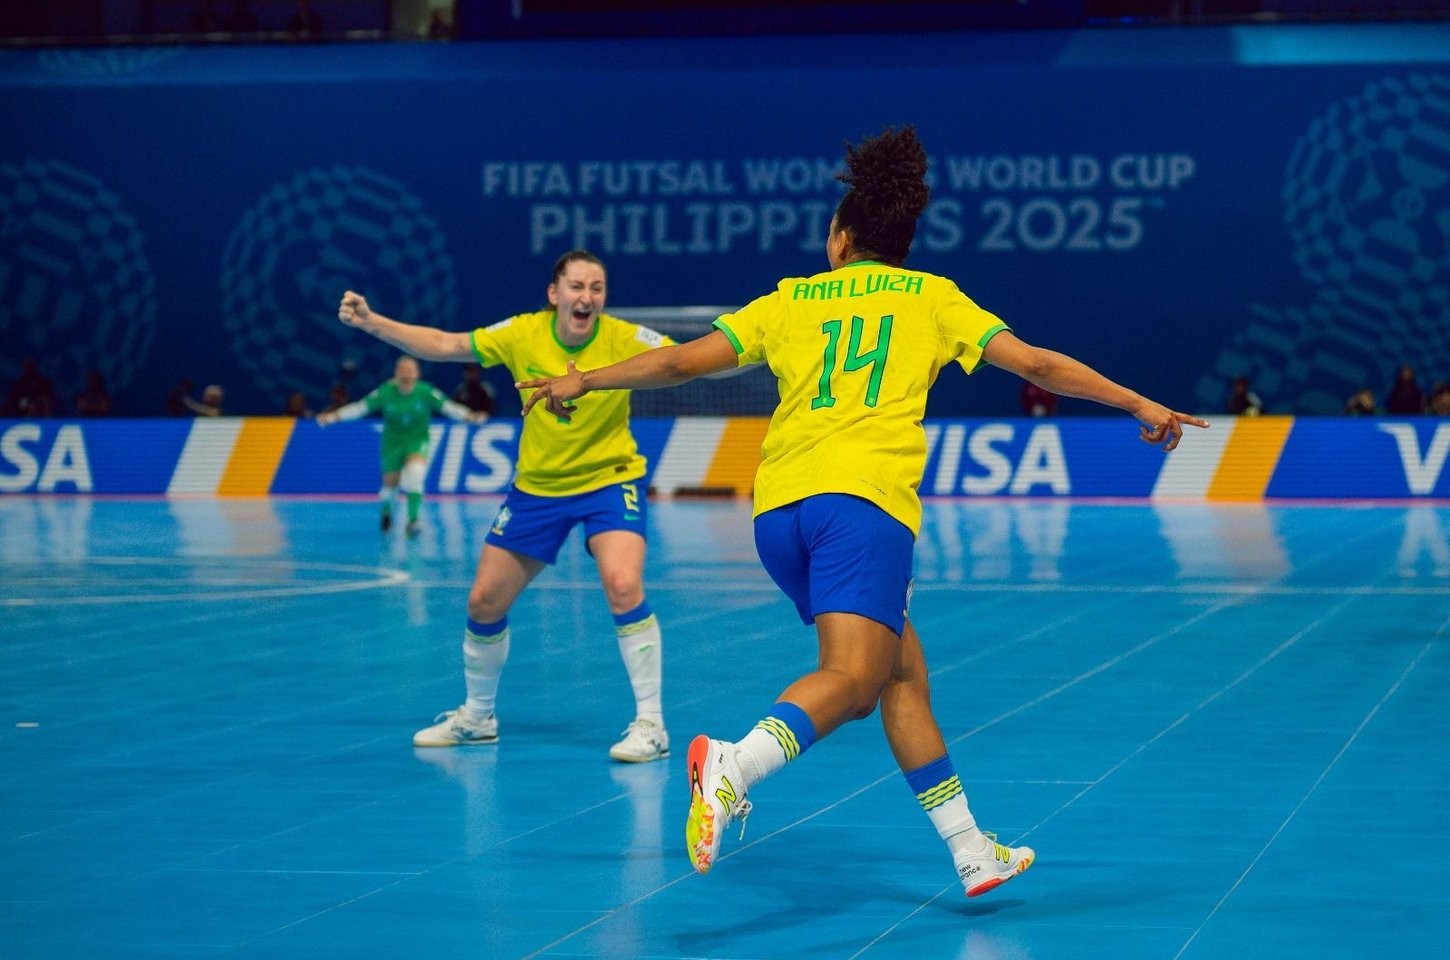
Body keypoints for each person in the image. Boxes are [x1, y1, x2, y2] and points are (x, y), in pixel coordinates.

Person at [518, 127, 1208, 898]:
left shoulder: (790, 300)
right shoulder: (933, 298)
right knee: (850, 680)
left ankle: (972, 850)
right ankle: (733, 765)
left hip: (779, 515)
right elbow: (1040, 366)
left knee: (900, 671)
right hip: (864, 507)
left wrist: (585, 381)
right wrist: (1139, 401)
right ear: (900, 242)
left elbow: (679, 363)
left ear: (842, 238)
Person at [333, 251, 676, 763]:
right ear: (554, 293)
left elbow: (685, 359)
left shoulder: (626, 338)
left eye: (597, 287)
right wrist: (372, 322)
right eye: (577, 286)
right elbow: (448, 345)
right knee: (483, 603)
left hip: (611, 480)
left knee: (624, 585)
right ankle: (477, 717)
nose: (587, 297)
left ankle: (651, 724)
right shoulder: (521, 333)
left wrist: (763, 346)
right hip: (537, 488)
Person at [317, 356, 481, 536]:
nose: (406, 374)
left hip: (417, 441)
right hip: (392, 443)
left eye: (410, 370)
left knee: (416, 475)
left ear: (417, 374)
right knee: (389, 487)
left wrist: (469, 416)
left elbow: (448, 407)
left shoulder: (425, 392)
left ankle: (413, 520)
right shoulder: (385, 392)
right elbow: (360, 408)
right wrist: (333, 417)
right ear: (395, 374)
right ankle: (386, 510)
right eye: (402, 370)